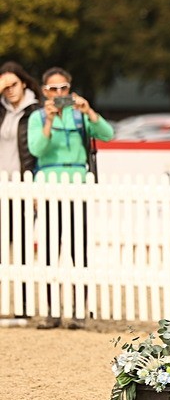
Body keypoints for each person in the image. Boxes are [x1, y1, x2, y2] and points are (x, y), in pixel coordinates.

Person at [27, 67, 115, 328]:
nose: (59, 93)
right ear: (45, 92)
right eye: (53, 89)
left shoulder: (79, 115)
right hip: (49, 184)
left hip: (78, 184)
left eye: (63, 88)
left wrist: (89, 112)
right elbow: (36, 149)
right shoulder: (37, 117)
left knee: (79, 249)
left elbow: (108, 134)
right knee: (50, 249)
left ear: (70, 88)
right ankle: (52, 310)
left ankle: (79, 311)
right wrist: (49, 121)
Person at [0, 63, 42, 317]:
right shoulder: (1, 111)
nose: (9, 90)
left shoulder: (35, 111)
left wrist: (35, 185)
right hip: (1, 187)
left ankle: (23, 306)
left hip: (23, 187)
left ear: (24, 82)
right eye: (4, 86)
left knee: (23, 248)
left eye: (13, 84)